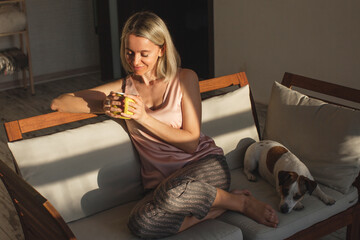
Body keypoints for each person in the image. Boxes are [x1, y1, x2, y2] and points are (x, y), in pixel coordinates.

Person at [51, 11, 278, 239]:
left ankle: (240, 203)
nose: (135, 61)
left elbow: (190, 143)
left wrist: (143, 117)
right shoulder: (124, 88)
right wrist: (106, 105)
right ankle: (221, 205)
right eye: (129, 53)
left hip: (205, 167)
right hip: (162, 186)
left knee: (172, 194)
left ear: (161, 50)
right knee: (140, 223)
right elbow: (59, 103)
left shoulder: (185, 78)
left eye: (144, 54)